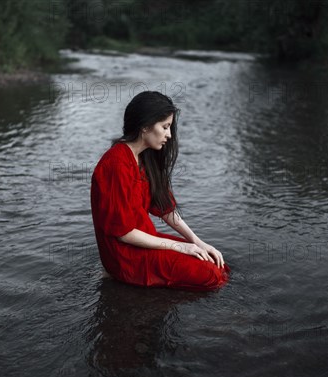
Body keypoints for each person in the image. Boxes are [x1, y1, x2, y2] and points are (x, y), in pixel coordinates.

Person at [90, 91, 230, 291]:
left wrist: (198, 242)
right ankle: (117, 278)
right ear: (145, 126)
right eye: (165, 127)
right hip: (125, 254)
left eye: (170, 127)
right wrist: (181, 247)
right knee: (211, 275)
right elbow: (124, 234)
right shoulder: (116, 163)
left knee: (218, 264)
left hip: (144, 242)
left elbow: (165, 208)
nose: (169, 135)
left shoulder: (145, 158)